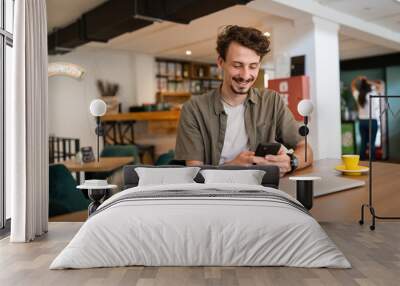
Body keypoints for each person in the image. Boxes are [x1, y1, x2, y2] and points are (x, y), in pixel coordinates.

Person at [174, 25, 313, 176]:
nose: (246, 75)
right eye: (237, 65)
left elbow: (305, 149)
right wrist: (232, 167)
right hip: (216, 195)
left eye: (253, 66)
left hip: (263, 190)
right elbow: (193, 174)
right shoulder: (194, 109)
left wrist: (291, 162)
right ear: (221, 62)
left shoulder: (272, 101)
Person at [351, 76, 382, 160]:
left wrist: (358, 78)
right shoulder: (372, 94)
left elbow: (352, 85)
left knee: (363, 143)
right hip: (372, 121)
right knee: (372, 143)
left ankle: (362, 163)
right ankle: (372, 163)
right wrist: (368, 81)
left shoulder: (358, 95)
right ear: (369, 86)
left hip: (362, 122)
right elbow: (380, 86)